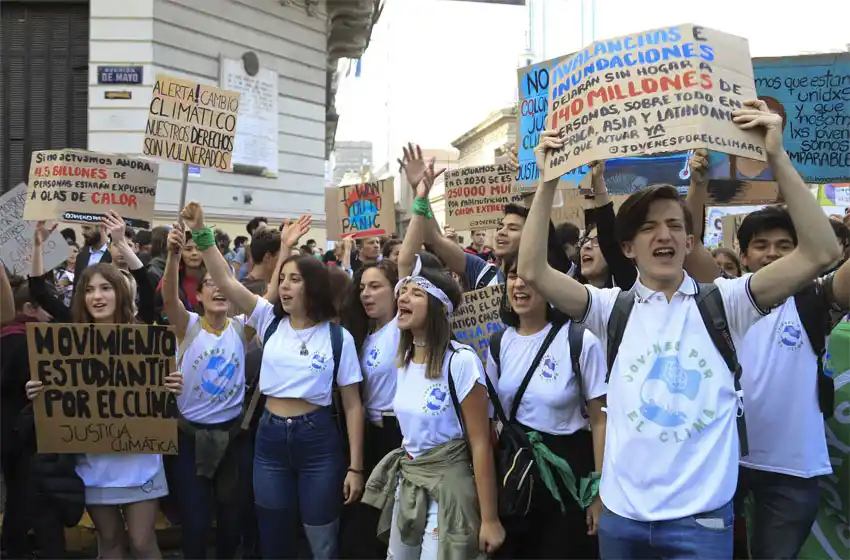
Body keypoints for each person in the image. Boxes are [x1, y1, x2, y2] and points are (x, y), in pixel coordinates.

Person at [518, 100, 842, 559]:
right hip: (622, 520)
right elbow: (532, 270)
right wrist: (548, 179)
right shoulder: (610, 309)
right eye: (648, 227)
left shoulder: (727, 302)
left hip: (701, 526)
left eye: (674, 225)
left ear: (690, 242)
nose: (663, 235)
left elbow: (822, 252)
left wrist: (776, 155)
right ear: (627, 248)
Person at [180, 201, 365, 559]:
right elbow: (225, 280)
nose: (285, 286)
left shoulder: (338, 338)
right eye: (282, 279)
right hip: (270, 441)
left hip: (318, 443)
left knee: (321, 538)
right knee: (273, 535)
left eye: (295, 280)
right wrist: (201, 231)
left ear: (314, 287)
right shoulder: (268, 320)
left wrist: (355, 467)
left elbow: (353, 404)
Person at [26, 213, 185, 560]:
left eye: (106, 288)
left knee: (142, 542)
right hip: (94, 460)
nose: (97, 296)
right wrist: (40, 392)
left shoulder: (141, 331)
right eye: (89, 290)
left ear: (119, 293)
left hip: (140, 459)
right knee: (110, 541)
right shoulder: (72, 333)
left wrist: (121, 243)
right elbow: (39, 290)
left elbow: (147, 286)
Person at [161, 223, 250, 559]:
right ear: (197, 296)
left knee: (231, 520)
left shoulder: (242, 328)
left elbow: (269, 300)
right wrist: (173, 256)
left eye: (222, 283)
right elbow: (168, 298)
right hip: (189, 439)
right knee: (196, 522)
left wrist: (285, 247)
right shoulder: (188, 325)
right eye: (209, 284)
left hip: (231, 438)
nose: (217, 289)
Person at [339, 260, 401, 558]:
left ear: (397, 290)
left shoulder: (403, 329)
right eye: (362, 287)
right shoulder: (359, 335)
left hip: (398, 438)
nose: (366, 294)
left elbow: (407, 261)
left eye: (375, 286)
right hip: (368, 436)